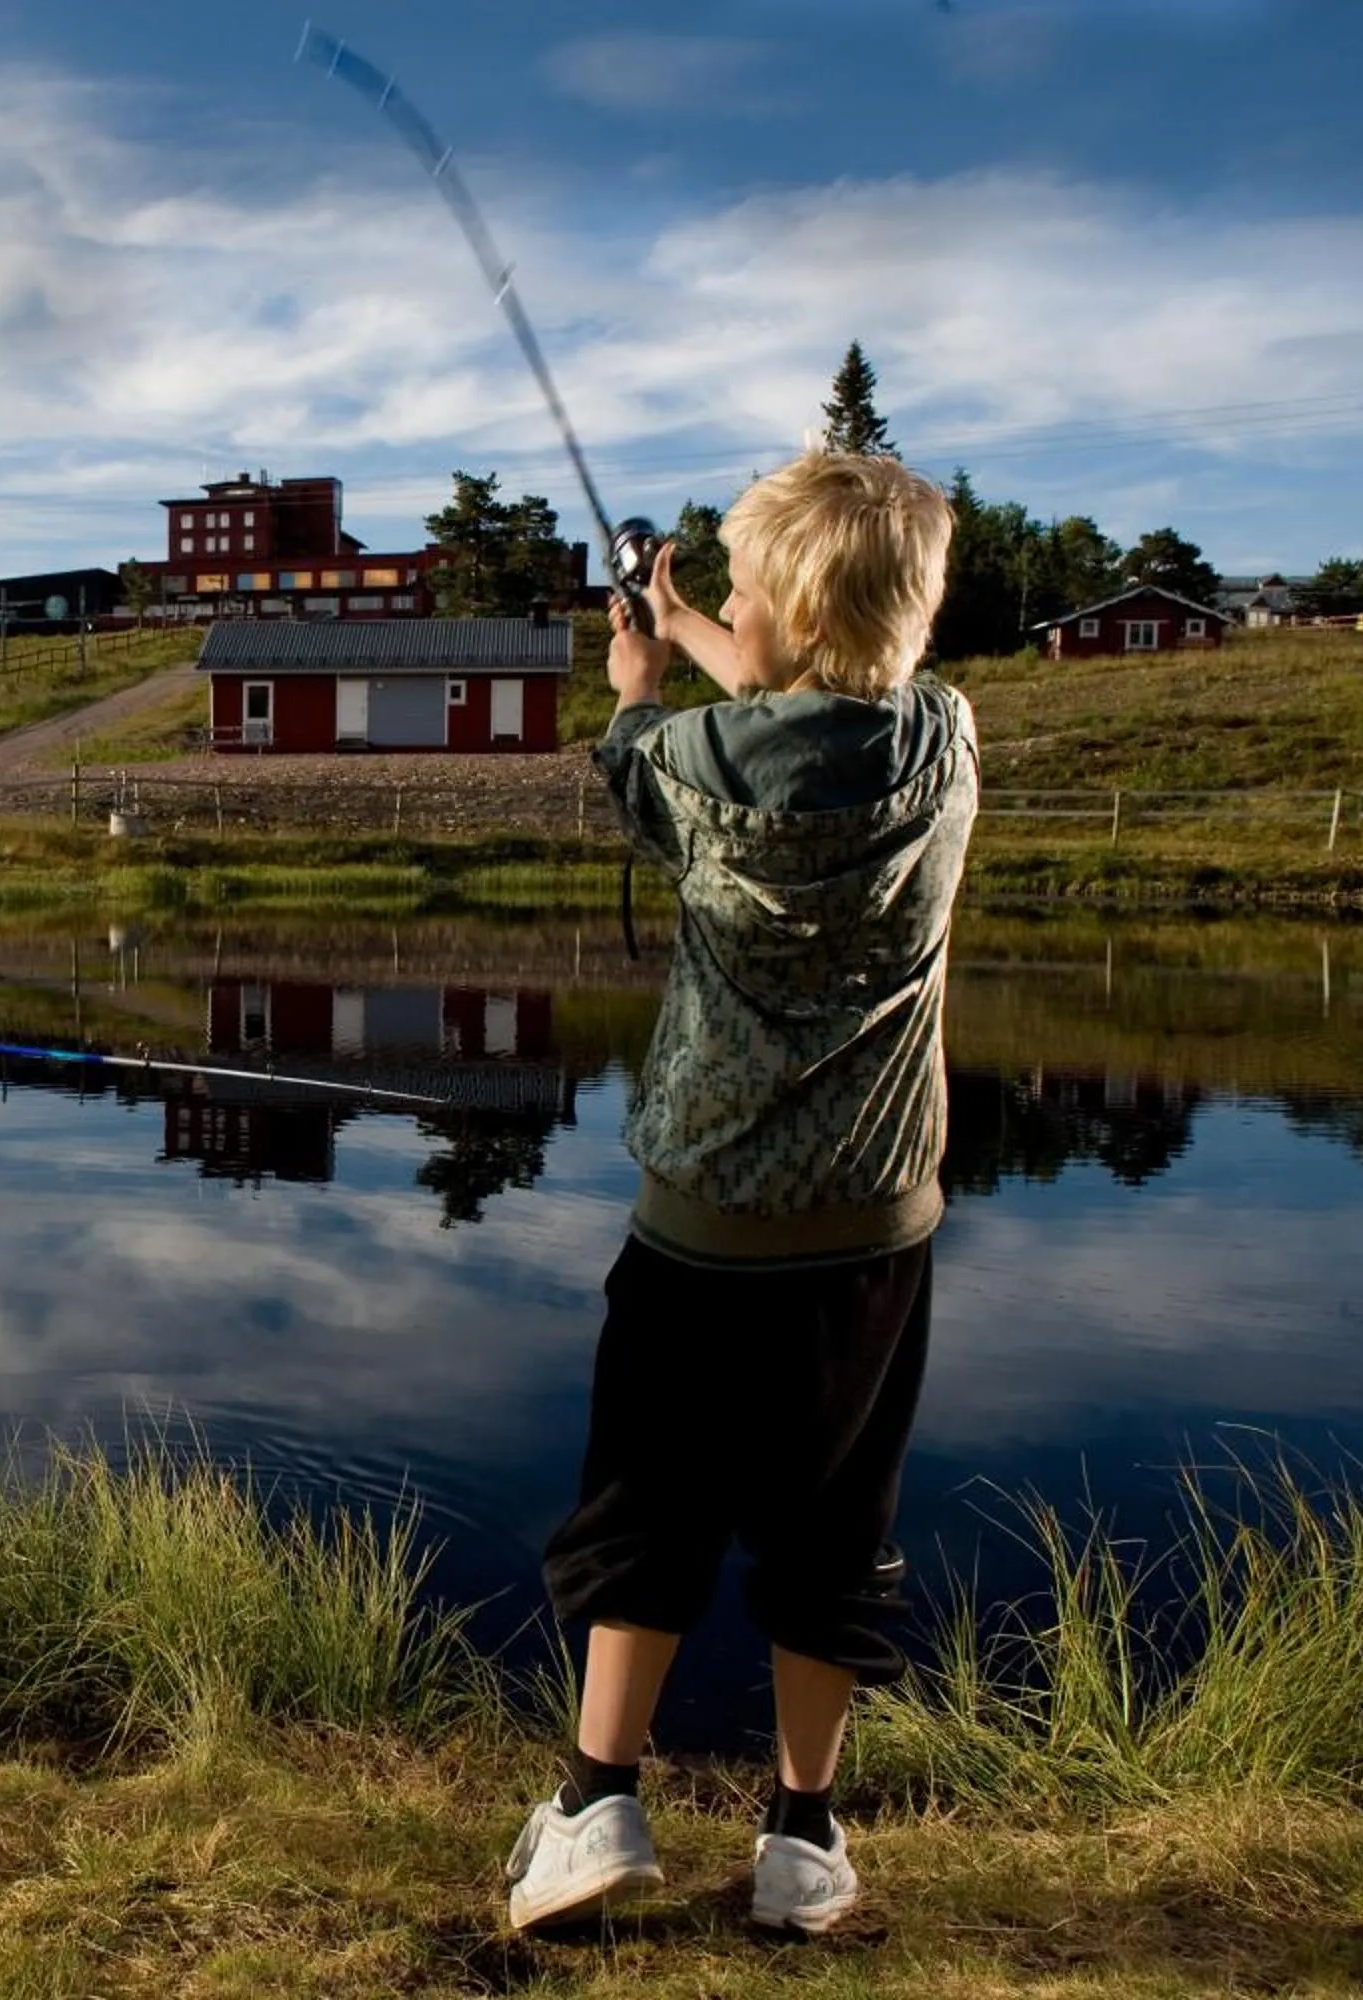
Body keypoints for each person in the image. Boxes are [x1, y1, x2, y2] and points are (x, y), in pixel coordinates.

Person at [503, 448, 976, 1936]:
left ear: (782, 615)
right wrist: (693, 612)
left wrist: (640, 674)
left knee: (644, 1505)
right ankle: (802, 1843)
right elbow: (813, 704)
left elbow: (654, 758)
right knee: (837, 1528)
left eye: (749, 591)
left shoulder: (681, 770)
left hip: (703, 1224)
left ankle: (597, 1807)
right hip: (872, 1229)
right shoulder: (946, 745)